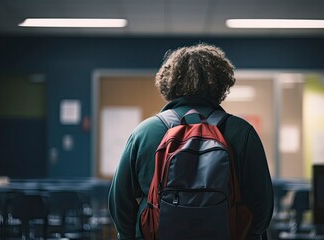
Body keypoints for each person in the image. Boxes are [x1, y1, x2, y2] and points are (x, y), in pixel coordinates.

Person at [108, 43, 274, 239]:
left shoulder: (144, 133)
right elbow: (262, 209)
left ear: (168, 83)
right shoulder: (242, 133)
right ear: (221, 83)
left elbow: (119, 203)